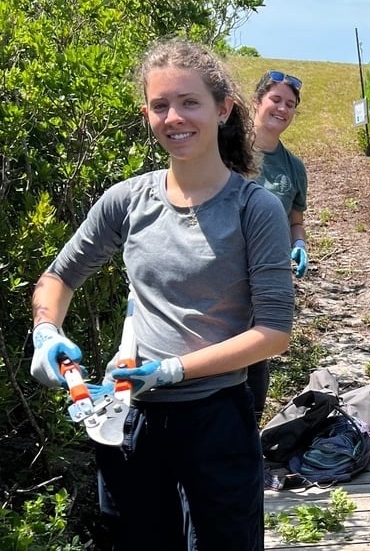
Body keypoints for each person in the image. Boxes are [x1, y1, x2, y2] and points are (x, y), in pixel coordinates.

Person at [29, 39, 294, 551]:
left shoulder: (253, 209)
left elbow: (273, 333)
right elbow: (57, 279)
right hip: (129, 417)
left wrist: (173, 370)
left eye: (190, 102)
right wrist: (46, 331)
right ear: (147, 114)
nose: (174, 117)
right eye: (160, 105)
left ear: (223, 109)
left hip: (217, 417)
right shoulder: (127, 201)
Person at [246, 68, 309, 422]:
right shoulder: (225, 150)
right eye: (275, 100)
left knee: (256, 359)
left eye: (290, 104)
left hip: (267, 278)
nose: (282, 109)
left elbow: (295, 221)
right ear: (257, 101)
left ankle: (249, 438)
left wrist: (299, 244)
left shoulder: (294, 168)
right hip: (221, 274)